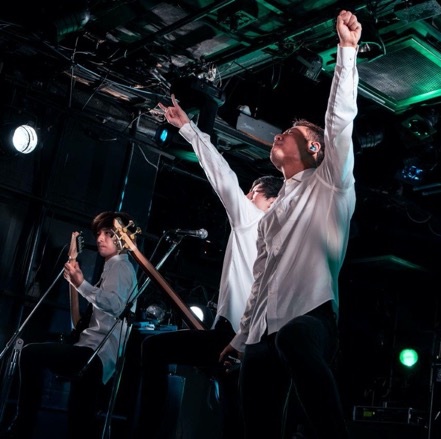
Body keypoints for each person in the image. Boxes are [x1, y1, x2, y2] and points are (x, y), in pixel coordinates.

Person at [218, 9, 361, 439]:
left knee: (293, 340)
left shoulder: (330, 184)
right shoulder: (271, 216)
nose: (278, 134)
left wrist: (347, 51)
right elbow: (260, 282)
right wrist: (240, 339)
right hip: (265, 330)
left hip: (313, 319)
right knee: (254, 407)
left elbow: (339, 123)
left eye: (290, 132)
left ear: (313, 148)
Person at [129, 94, 283, 439]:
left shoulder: (252, 220)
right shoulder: (279, 241)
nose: (246, 198)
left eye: (254, 193)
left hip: (234, 336)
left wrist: (188, 128)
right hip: (251, 341)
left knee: (154, 348)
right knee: (235, 417)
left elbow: (222, 176)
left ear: (271, 203)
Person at [0, 211, 138, 439]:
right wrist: (74, 283)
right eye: (98, 234)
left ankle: (22, 427)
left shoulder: (120, 267)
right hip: (89, 353)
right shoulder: (111, 269)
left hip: (96, 356)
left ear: (123, 238)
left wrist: (82, 284)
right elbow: (79, 324)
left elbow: (115, 305)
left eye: (108, 233)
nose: (100, 238)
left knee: (31, 354)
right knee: (79, 423)